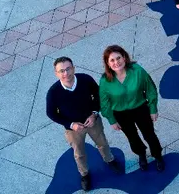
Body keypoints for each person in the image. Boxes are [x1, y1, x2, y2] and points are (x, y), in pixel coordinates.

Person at [47, 56, 122, 191]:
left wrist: (94, 114)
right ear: (56, 73)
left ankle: (110, 160)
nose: (66, 74)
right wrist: (71, 124)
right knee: (79, 153)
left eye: (68, 69)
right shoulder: (53, 93)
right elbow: (51, 113)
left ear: (74, 68)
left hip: (93, 122)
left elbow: (99, 95)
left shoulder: (85, 79)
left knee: (103, 143)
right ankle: (84, 174)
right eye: (62, 71)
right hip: (73, 130)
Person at [99, 45, 164, 171]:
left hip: (140, 108)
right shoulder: (105, 81)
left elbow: (150, 89)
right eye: (112, 60)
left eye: (118, 58)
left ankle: (158, 155)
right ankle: (141, 154)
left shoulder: (137, 71)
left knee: (149, 135)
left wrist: (153, 108)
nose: (116, 62)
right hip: (121, 114)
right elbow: (104, 103)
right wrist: (111, 120)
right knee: (132, 137)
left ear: (124, 57)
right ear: (107, 63)